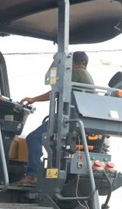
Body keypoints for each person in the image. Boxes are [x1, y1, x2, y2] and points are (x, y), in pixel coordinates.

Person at [16, 51, 94, 187]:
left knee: (34, 138)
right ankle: (43, 174)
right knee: (52, 145)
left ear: (72, 62)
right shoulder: (87, 76)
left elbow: (56, 92)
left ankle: (33, 175)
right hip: (77, 118)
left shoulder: (76, 73)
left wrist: (33, 99)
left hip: (66, 118)